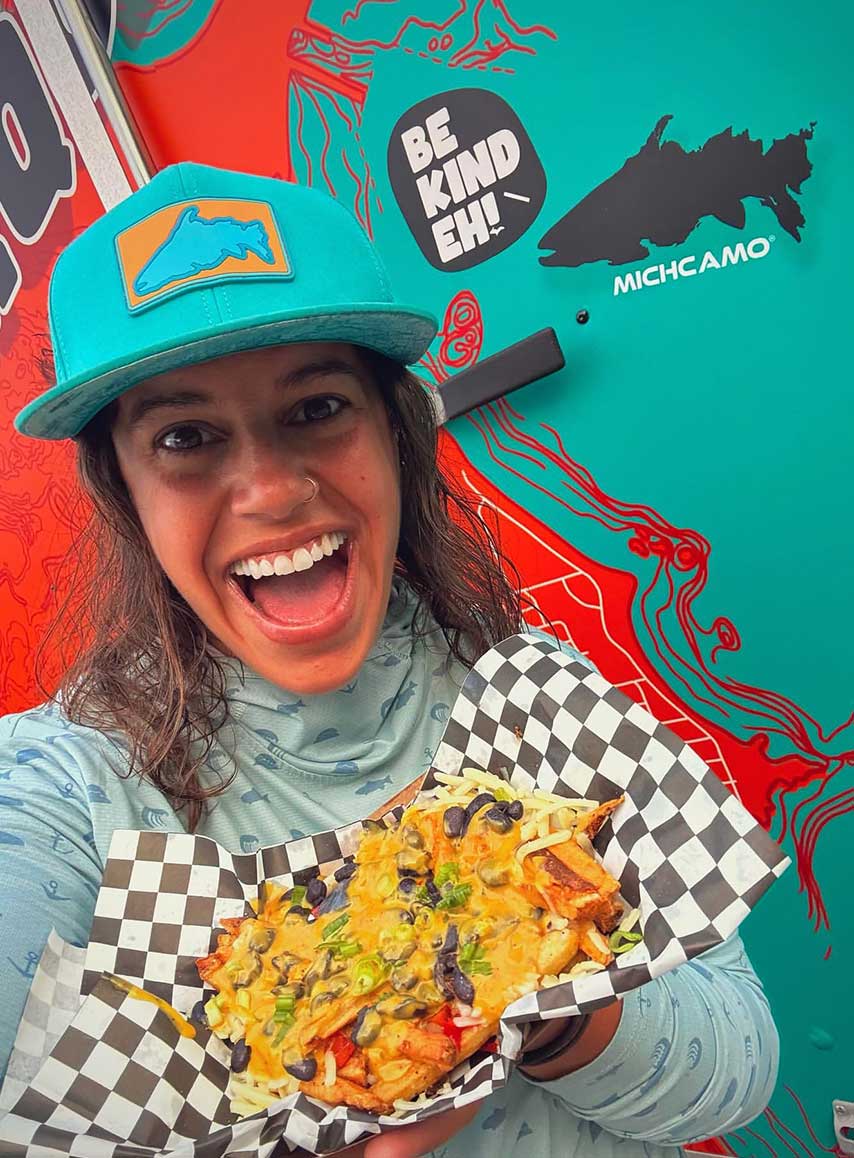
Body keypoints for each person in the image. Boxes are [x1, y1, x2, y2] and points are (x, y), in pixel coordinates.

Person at [1, 163, 778, 1158]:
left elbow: (741, 1072)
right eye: (186, 437)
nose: (271, 491)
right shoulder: (68, 785)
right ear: (124, 492)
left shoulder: (531, 700)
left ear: (394, 434)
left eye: (315, 408)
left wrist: (541, 1002)